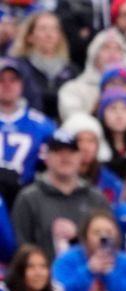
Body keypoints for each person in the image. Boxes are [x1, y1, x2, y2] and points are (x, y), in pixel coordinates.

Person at [13, 130, 112, 262]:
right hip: (43, 278)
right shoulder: (28, 198)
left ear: (80, 157)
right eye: (58, 152)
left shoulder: (96, 198)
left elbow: (110, 243)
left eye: (71, 152)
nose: (65, 158)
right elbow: (20, 248)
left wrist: (79, 233)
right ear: (46, 157)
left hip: (92, 276)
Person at [0, 57, 55, 208]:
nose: (7, 85)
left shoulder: (42, 125)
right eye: (1, 80)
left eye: (13, 80)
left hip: (25, 197)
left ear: (22, 85)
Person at [9, 11, 77, 122]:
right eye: (43, 29)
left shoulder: (72, 70)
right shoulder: (17, 66)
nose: (49, 34)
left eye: (54, 29)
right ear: (29, 36)